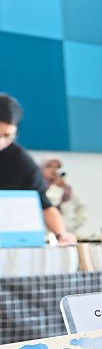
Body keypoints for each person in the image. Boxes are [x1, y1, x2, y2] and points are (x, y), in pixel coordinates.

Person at [0, 94, 76, 245]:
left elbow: (43, 204)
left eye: (7, 136)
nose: (1, 142)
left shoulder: (20, 162)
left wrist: (61, 235)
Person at [40, 158, 87, 235]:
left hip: (66, 231)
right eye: (50, 166)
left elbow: (81, 206)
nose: (54, 170)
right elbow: (49, 205)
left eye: (57, 167)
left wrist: (75, 224)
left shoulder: (66, 189)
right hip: (46, 232)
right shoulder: (38, 187)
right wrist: (55, 187)